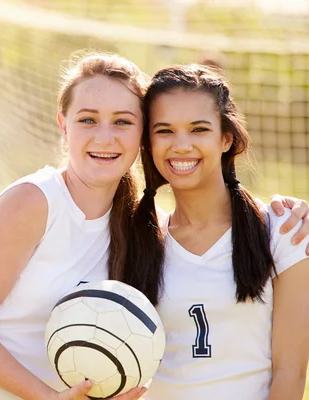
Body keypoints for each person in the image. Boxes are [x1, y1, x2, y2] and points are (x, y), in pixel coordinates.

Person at [0, 53, 309, 400]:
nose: (106, 136)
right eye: (164, 130)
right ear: (63, 125)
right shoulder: (56, 207)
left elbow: (290, 373)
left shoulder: (136, 226)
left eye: (122, 121)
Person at [125, 64, 309, 399]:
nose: (181, 145)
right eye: (164, 131)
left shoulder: (283, 231)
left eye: (198, 129)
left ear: (226, 138)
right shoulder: (139, 238)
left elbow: (291, 372)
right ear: (147, 142)